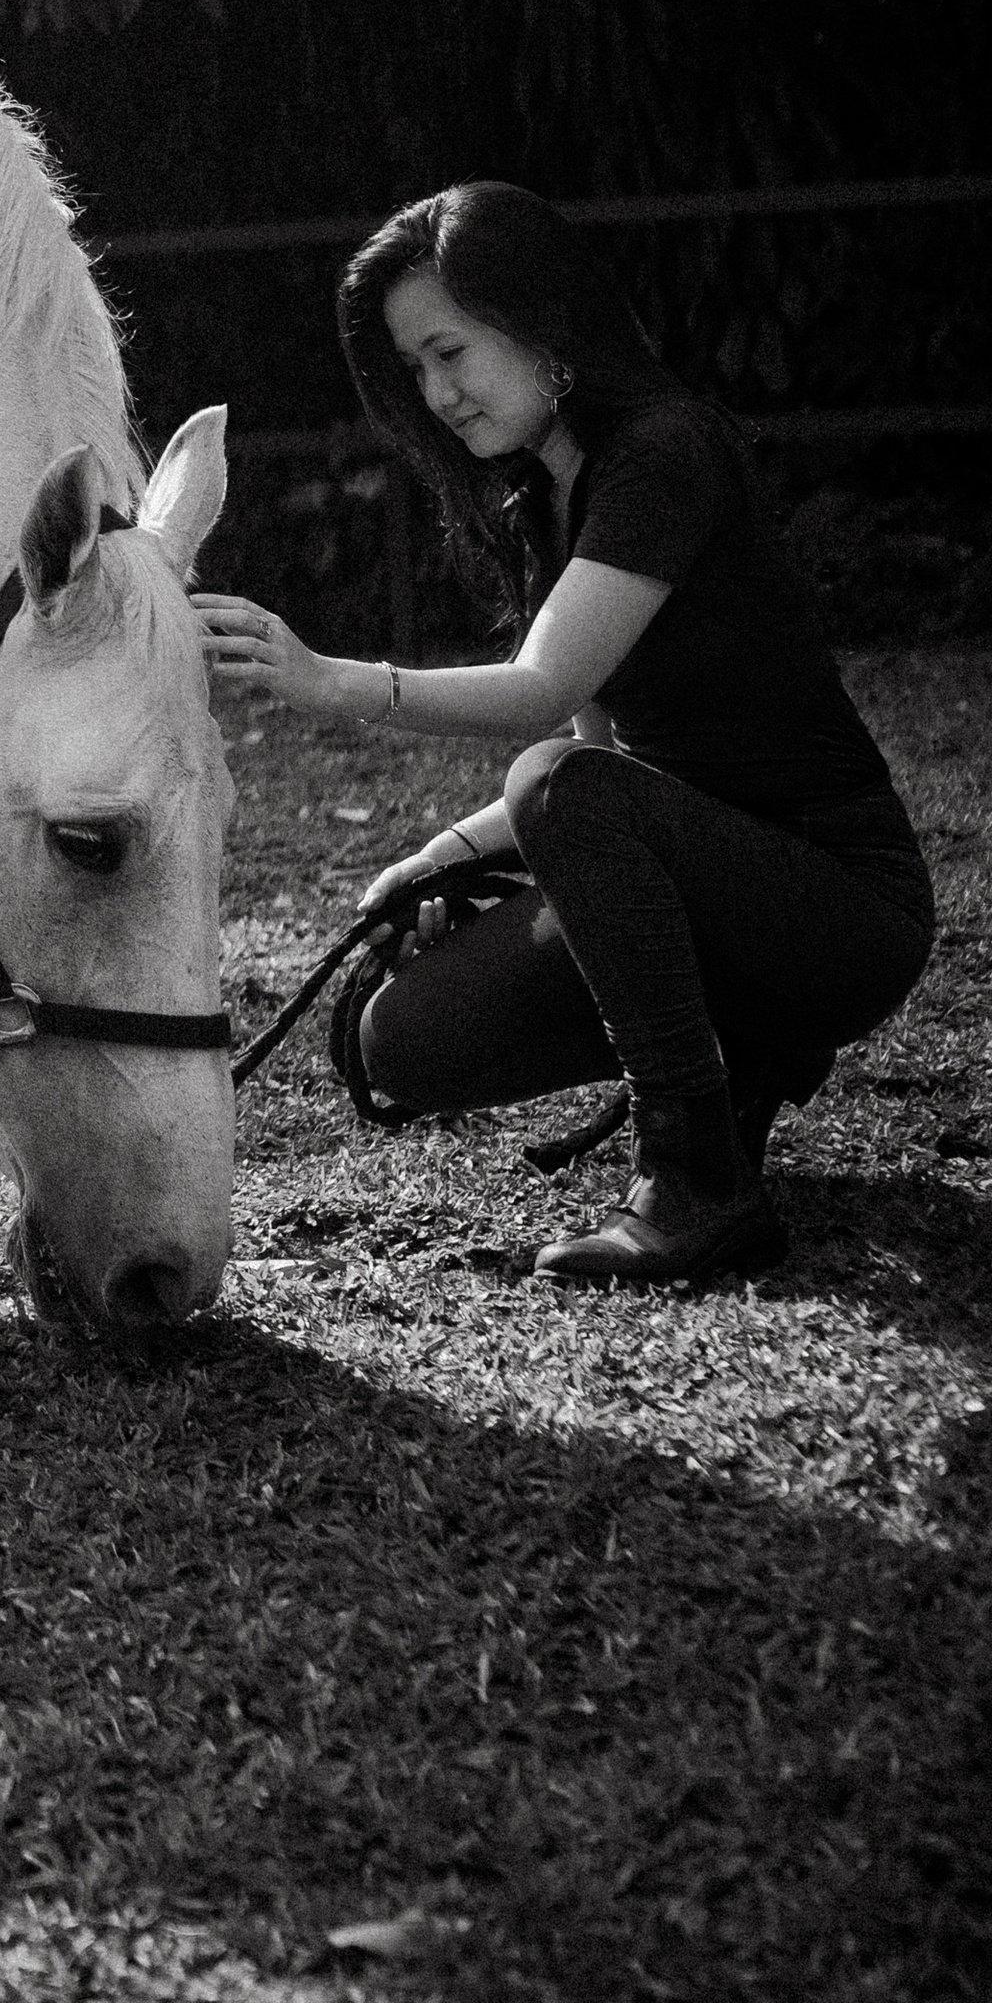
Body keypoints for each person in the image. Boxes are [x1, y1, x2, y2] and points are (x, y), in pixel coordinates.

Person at [194, 181, 935, 1284]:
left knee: (555, 784)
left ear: (542, 324)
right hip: (699, 876)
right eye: (414, 369)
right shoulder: (544, 497)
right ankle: (736, 1057)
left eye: (450, 351)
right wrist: (434, 863)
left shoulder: (663, 455)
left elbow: (548, 707)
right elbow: (603, 752)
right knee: (397, 1039)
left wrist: (326, 679)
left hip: (840, 908)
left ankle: (695, 1181)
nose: (437, 394)